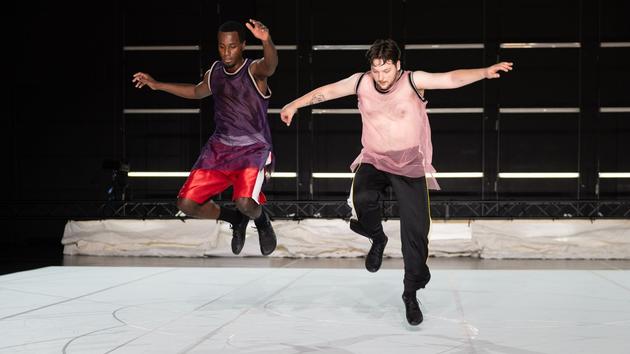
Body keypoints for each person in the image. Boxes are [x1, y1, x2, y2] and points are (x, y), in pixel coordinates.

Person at [280, 39, 512, 325]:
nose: (381, 77)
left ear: (398, 66)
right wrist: (294, 104)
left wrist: (485, 71)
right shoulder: (361, 82)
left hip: (408, 164)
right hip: (374, 159)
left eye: (386, 70)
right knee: (362, 199)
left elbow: (451, 78)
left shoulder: (414, 81)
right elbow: (326, 92)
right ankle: (377, 238)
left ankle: (410, 293)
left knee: (415, 234)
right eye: (376, 70)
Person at [132, 19, 279, 256]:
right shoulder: (215, 73)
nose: (226, 52)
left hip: (253, 149)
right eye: (222, 46)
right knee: (186, 204)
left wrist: (266, 40)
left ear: (242, 45)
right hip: (219, 150)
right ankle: (235, 220)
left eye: (232, 46)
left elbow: (270, 65)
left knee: (245, 203)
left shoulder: (254, 71)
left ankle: (262, 222)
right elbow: (194, 91)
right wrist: (157, 85)